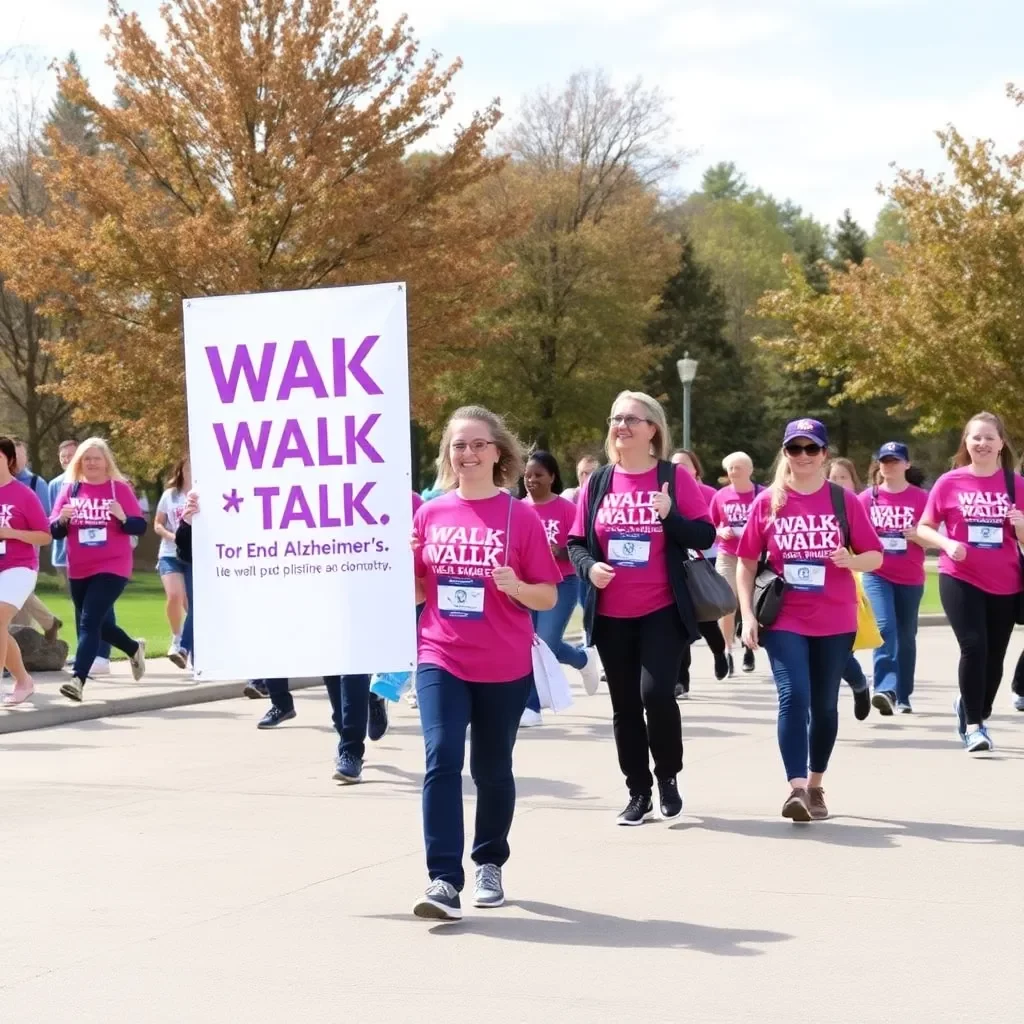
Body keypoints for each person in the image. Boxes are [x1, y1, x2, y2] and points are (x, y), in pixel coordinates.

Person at [411, 405, 559, 921]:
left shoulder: (521, 517)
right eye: (458, 446)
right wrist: (401, 561)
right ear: (448, 456)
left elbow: (546, 596)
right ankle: (443, 880)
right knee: (442, 755)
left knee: (492, 768)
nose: (468, 454)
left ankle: (489, 862)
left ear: (498, 453)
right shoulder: (429, 514)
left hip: (503, 662)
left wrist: (517, 587)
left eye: (478, 444)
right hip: (440, 653)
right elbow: (417, 589)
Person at [568, 392, 714, 825]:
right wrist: (589, 566)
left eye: (631, 419)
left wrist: (670, 516)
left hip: (662, 609)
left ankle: (667, 775)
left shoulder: (672, 477)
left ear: (653, 428)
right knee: (625, 705)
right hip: (612, 613)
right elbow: (576, 543)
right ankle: (638, 792)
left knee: (656, 695)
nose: (621, 426)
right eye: (615, 418)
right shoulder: (598, 482)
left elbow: (704, 536)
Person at [737, 419, 882, 821]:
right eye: (795, 449)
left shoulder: (843, 501)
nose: (803, 456)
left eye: (811, 449)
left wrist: (851, 560)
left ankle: (816, 784)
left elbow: (875, 555)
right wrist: (747, 615)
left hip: (835, 618)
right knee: (793, 695)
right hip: (784, 618)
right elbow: (746, 565)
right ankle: (796, 788)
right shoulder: (767, 503)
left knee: (824, 706)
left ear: (824, 454)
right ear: (786, 453)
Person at [915, 412, 1024, 752]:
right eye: (976, 437)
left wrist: (1020, 524)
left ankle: (972, 707)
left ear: (1001, 443)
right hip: (959, 576)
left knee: (995, 658)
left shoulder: (1015, 484)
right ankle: (975, 726)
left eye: (989, 437)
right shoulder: (949, 482)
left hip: (1006, 582)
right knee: (974, 646)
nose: (982, 443)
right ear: (966, 442)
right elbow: (923, 527)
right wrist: (947, 544)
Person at [49, 438, 148, 702]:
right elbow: (55, 531)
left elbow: (139, 526)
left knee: (89, 622)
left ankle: (78, 680)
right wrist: (62, 519)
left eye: (97, 458)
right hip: (79, 567)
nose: (91, 463)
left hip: (113, 564)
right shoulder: (70, 489)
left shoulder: (119, 489)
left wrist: (123, 517)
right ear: (80, 462)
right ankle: (132, 647)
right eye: (87, 458)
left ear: (106, 462)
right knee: (99, 623)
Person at [520, 450, 600, 725]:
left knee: (545, 642)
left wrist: (560, 551)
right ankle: (582, 659)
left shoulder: (567, 509)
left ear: (552, 477)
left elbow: (585, 545)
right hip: (527, 585)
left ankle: (531, 707)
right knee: (528, 644)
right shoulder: (519, 508)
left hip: (562, 582)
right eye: (528, 475)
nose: (531, 480)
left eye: (538, 475)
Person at [858, 443, 929, 715]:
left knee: (906, 635)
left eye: (895, 461)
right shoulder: (867, 498)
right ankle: (884, 688)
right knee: (885, 627)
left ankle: (903, 694)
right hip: (877, 573)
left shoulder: (921, 498)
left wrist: (917, 536)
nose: (889, 466)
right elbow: (856, 536)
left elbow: (934, 537)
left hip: (910, 575)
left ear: (907, 465)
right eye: (885, 461)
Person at [45, 438, 112, 673]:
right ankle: (87, 650)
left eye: (71, 456)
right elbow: (52, 519)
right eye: (63, 457)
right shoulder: (57, 485)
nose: (67, 460)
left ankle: (101, 656)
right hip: (66, 555)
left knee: (100, 606)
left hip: (101, 556)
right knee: (81, 607)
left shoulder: (105, 484)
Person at [0, 436, 53, 705]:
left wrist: (10, 533)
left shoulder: (23, 494)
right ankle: (23, 680)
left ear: (9, 461)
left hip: (19, 567)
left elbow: (44, 536)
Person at [670, 447, 729, 691]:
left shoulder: (708, 493)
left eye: (684, 464)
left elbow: (716, 524)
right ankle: (681, 679)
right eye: (675, 465)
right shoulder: (664, 492)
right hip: (675, 562)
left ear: (695, 469)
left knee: (705, 619)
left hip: (704, 560)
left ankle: (719, 652)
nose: (679, 469)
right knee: (679, 622)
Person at [827, 457, 872, 721]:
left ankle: (859, 684)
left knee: (840, 653)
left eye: (843, 477)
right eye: (833, 477)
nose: (838, 482)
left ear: (853, 481)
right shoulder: (818, 502)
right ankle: (819, 713)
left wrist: (853, 561)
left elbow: (871, 550)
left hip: (855, 583)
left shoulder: (856, 506)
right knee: (824, 657)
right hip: (815, 590)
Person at [709, 451, 761, 674]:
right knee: (727, 603)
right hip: (728, 554)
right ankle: (727, 650)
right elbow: (710, 526)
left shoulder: (762, 495)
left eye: (738, 468)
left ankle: (748, 647)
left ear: (749, 470)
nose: (733, 472)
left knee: (750, 603)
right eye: (730, 468)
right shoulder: (720, 496)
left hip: (754, 556)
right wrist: (721, 531)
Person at [10, 438, 62, 643]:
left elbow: (45, 519)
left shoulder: (35, 483)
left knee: (18, 592)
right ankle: (48, 622)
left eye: (17, 454)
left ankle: (20, 648)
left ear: (26, 458)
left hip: (26, 545)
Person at [154, 457, 193, 669]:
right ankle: (177, 640)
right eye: (188, 467)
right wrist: (171, 535)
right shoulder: (170, 495)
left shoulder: (204, 493)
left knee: (192, 605)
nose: (191, 471)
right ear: (181, 470)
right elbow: (157, 524)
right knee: (175, 595)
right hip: (170, 553)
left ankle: (192, 648)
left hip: (194, 556)